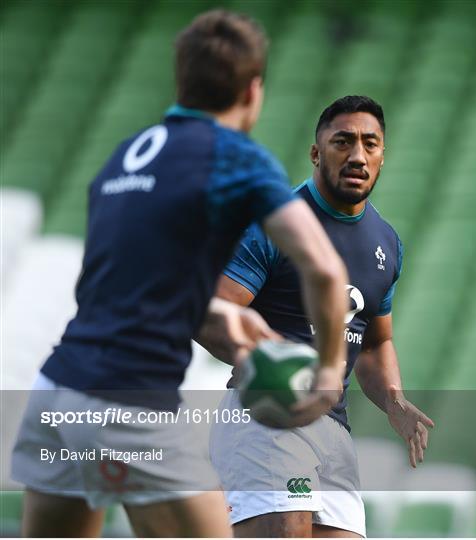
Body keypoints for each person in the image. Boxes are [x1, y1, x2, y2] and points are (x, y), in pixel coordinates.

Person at [10, 11, 349, 538]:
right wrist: (327, 376)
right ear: (252, 90)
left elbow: (109, 288)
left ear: (182, 81)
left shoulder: (124, 157)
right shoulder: (235, 157)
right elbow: (325, 270)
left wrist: (211, 309)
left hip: (58, 393)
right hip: (129, 402)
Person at [207, 96, 435, 538]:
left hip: (333, 426)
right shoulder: (276, 224)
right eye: (343, 141)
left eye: (371, 144)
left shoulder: (386, 242)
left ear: (383, 156)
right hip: (267, 415)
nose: (357, 155)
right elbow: (212, 311)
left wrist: (394, 400)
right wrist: (264, 361)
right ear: (316, 152)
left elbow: (373, 342)